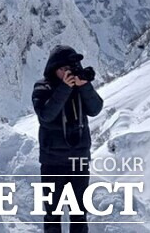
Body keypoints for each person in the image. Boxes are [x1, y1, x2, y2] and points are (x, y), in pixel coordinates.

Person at [32, 45, 103, 233]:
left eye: (70, 68)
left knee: (79, 213)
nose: (67, 72)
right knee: (53, 214)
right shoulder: (42, 86)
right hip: (52, 162)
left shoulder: (80, 85)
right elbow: (46, 115)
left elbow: (95, 109)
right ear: (53, 69)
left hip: (79, 160)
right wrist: (64, 88)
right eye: (62, 68)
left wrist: (85, 86)